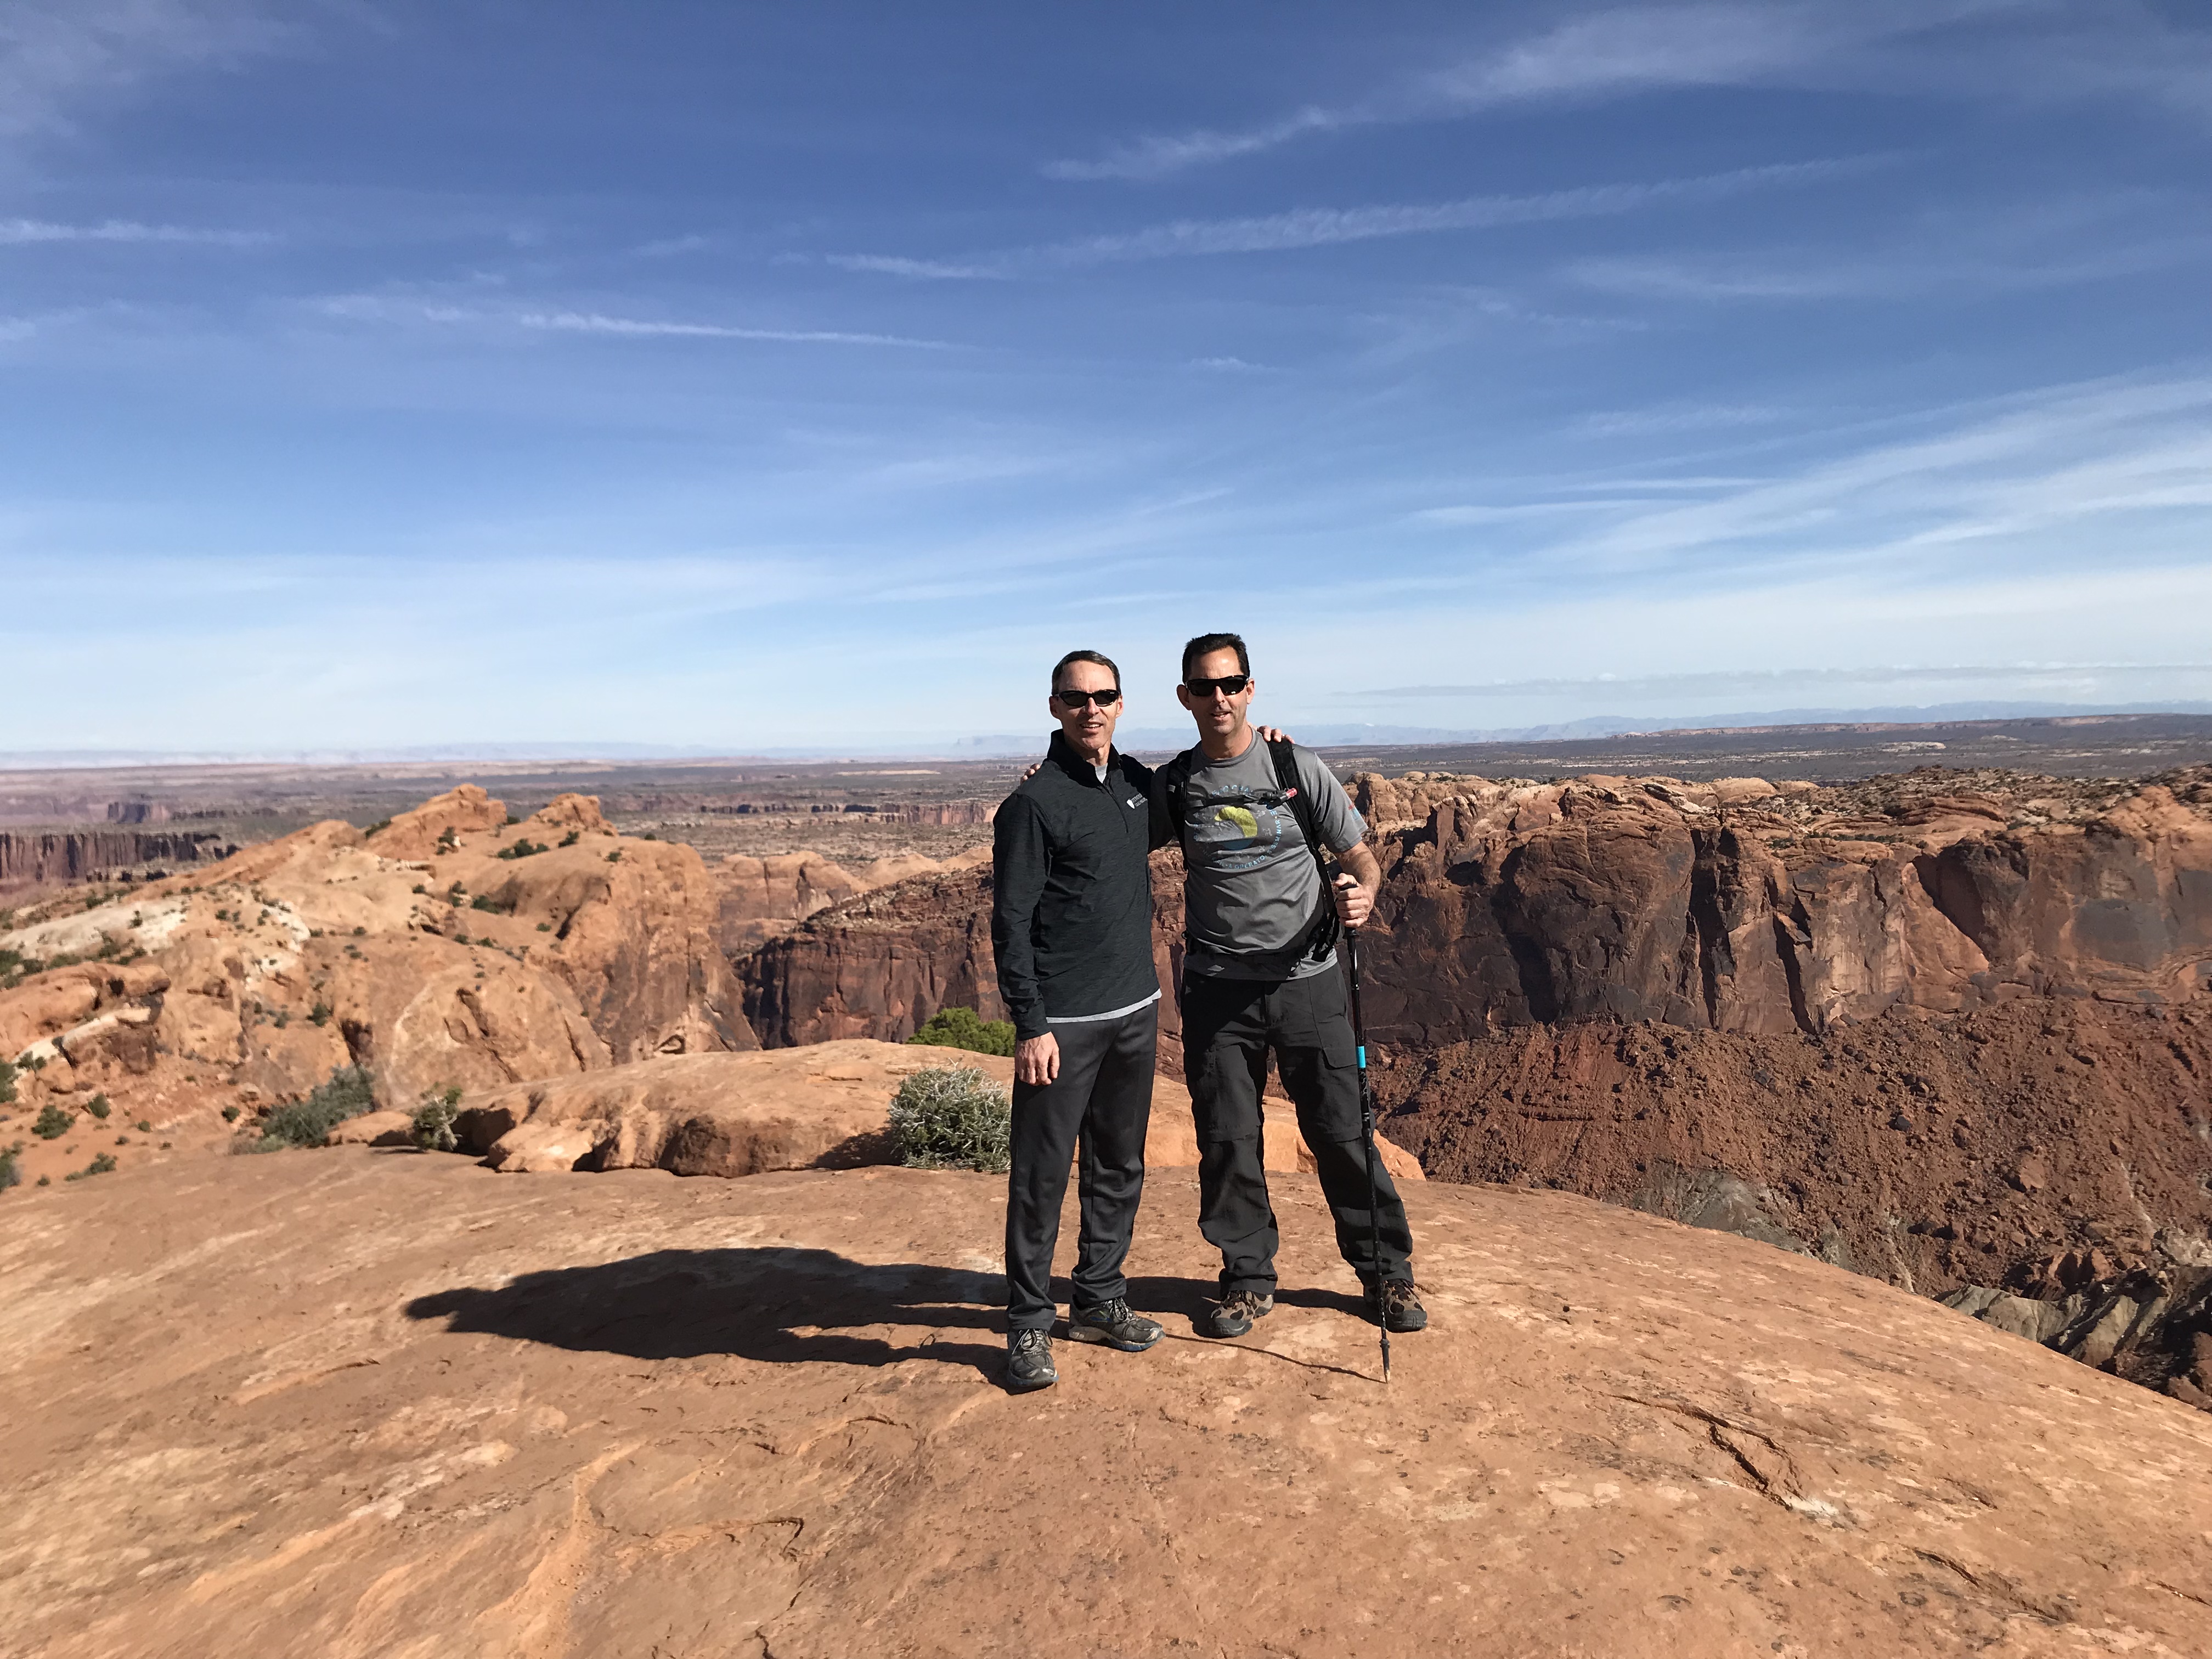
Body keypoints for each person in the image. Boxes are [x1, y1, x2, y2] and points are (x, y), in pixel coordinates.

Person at [1153, 631, 1426, 1340]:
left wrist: (1365, 895)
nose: (1219, 697)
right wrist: (1055, 776)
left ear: (1249, 689)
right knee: (1227, 1138)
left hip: (1308, 980)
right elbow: (1108, 826)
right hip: (1218, 990)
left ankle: (1387, 1273)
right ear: (1185, 697)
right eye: (1204, 687)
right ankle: (1246, 1279)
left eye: (1230, 684)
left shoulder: (1294, 765)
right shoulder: (1176, 784)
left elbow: (1359, 857)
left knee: (1342, 1131)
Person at [991, 648, 1170, 1392]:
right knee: (1040, 1177)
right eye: (1076, 698)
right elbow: (1010, 921)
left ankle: (1098, 1299)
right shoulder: (1034, 805)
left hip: (1136, 1011)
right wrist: (1030, 1024)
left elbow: (1211, 785)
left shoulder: (1136, 786)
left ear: (1121, 704)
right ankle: (1029, 1324)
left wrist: (1273, 746)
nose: (1090, 709)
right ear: (1055, 707)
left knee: (1118, 1166)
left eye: (1103, 696)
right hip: (1062, 1025)